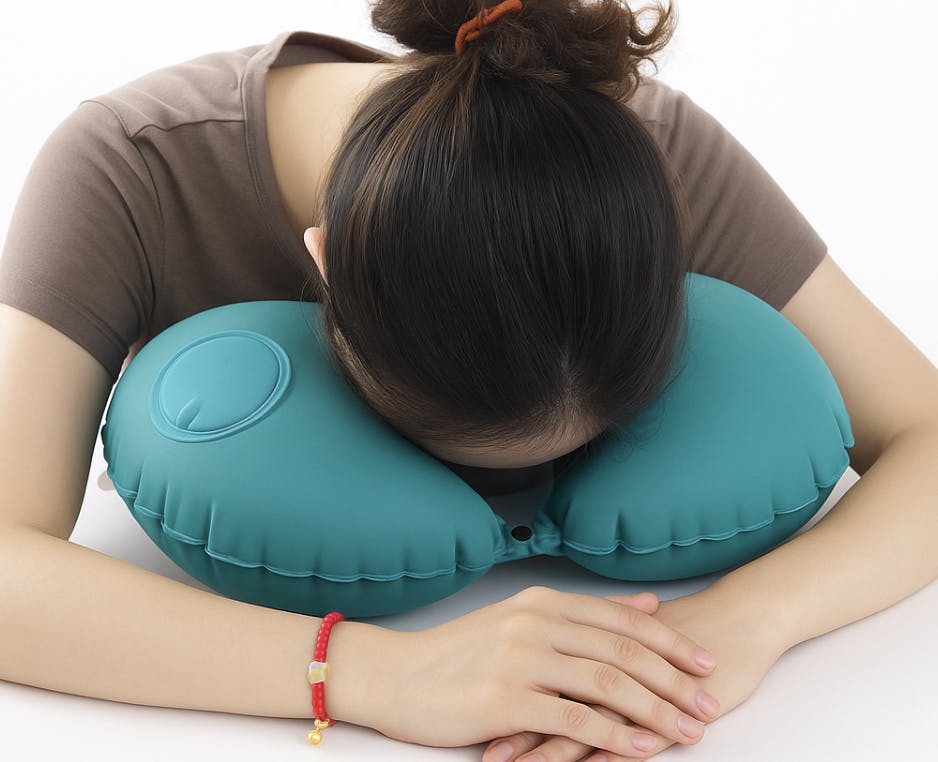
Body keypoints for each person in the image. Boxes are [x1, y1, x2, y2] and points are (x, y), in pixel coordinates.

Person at [3, 1, 937, 760]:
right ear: (322, 269)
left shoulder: (636, 149)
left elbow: (926, 431)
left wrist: (745, 621)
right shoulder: (130, 168)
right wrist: (370, 674)